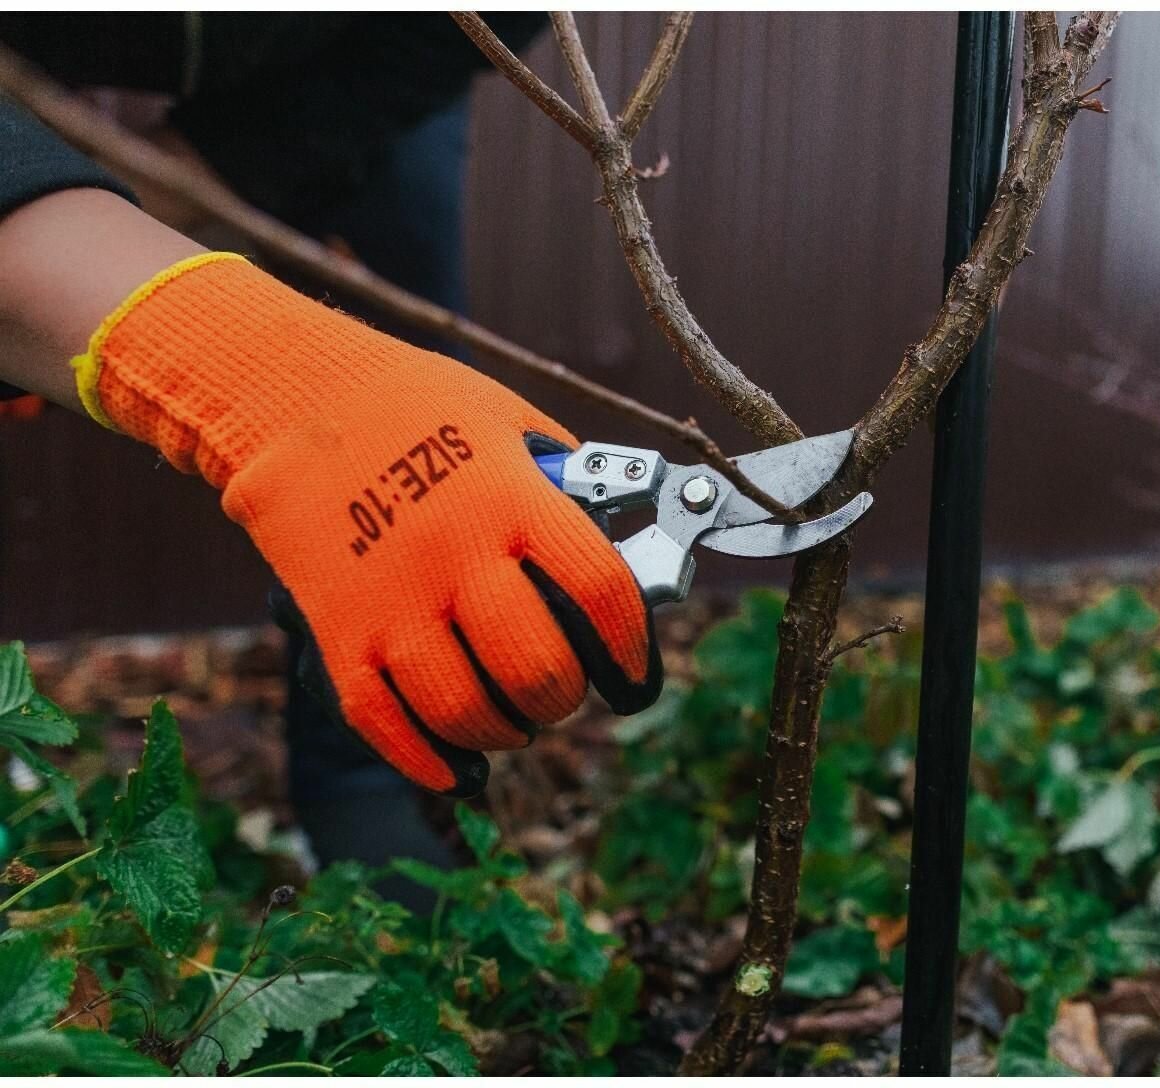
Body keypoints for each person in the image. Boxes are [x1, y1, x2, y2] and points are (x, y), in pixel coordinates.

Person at [0, 15, 663, 870]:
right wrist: (227, 360)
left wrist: (210, 175)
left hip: (351, 49)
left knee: (414, 365)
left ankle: (356, 784)